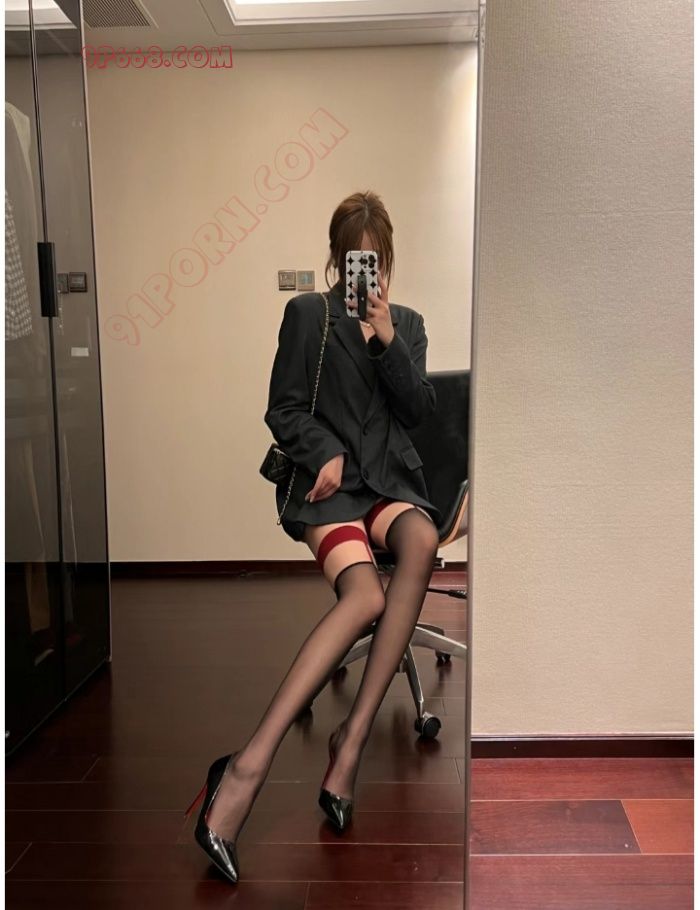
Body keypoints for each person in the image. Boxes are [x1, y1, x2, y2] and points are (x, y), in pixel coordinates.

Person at [185, 190, 442, 884]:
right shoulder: (308, 315)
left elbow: (419, 411)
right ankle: (244, 769)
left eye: (376, 260)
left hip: (387, 486)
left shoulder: (408, 325)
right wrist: (323, 449)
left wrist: (386, 338)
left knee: (422, 541)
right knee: (365, 598)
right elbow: (284, 407)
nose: (367, 271)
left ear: (388, 262)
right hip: (331, 490)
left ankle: (349, 743)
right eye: (357, 258)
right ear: (337, 259)